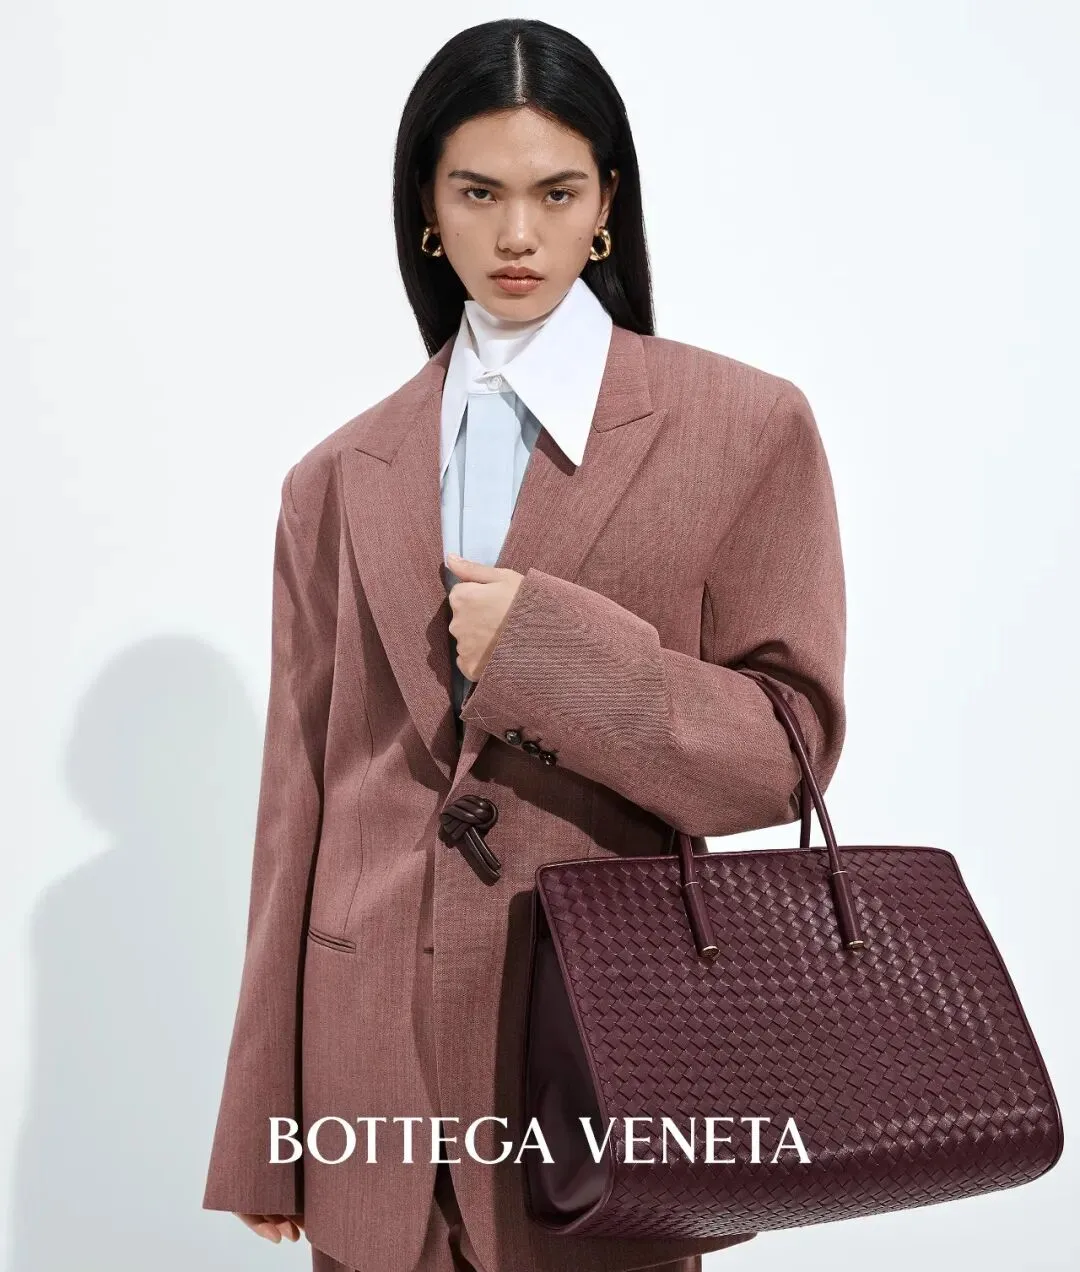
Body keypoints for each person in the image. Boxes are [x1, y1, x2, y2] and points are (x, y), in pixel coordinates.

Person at [201, 16, 846, 1272]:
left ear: (606, 204)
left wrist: (548, 652)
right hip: (371, 1081)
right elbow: (296, 805)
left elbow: (789, 753)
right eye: (477, 193)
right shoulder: (334, 477)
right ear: (425, 211)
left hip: (607, 1067)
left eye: (555, 193)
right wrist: (262, 1126)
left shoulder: (746, 427)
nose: (515, 236)